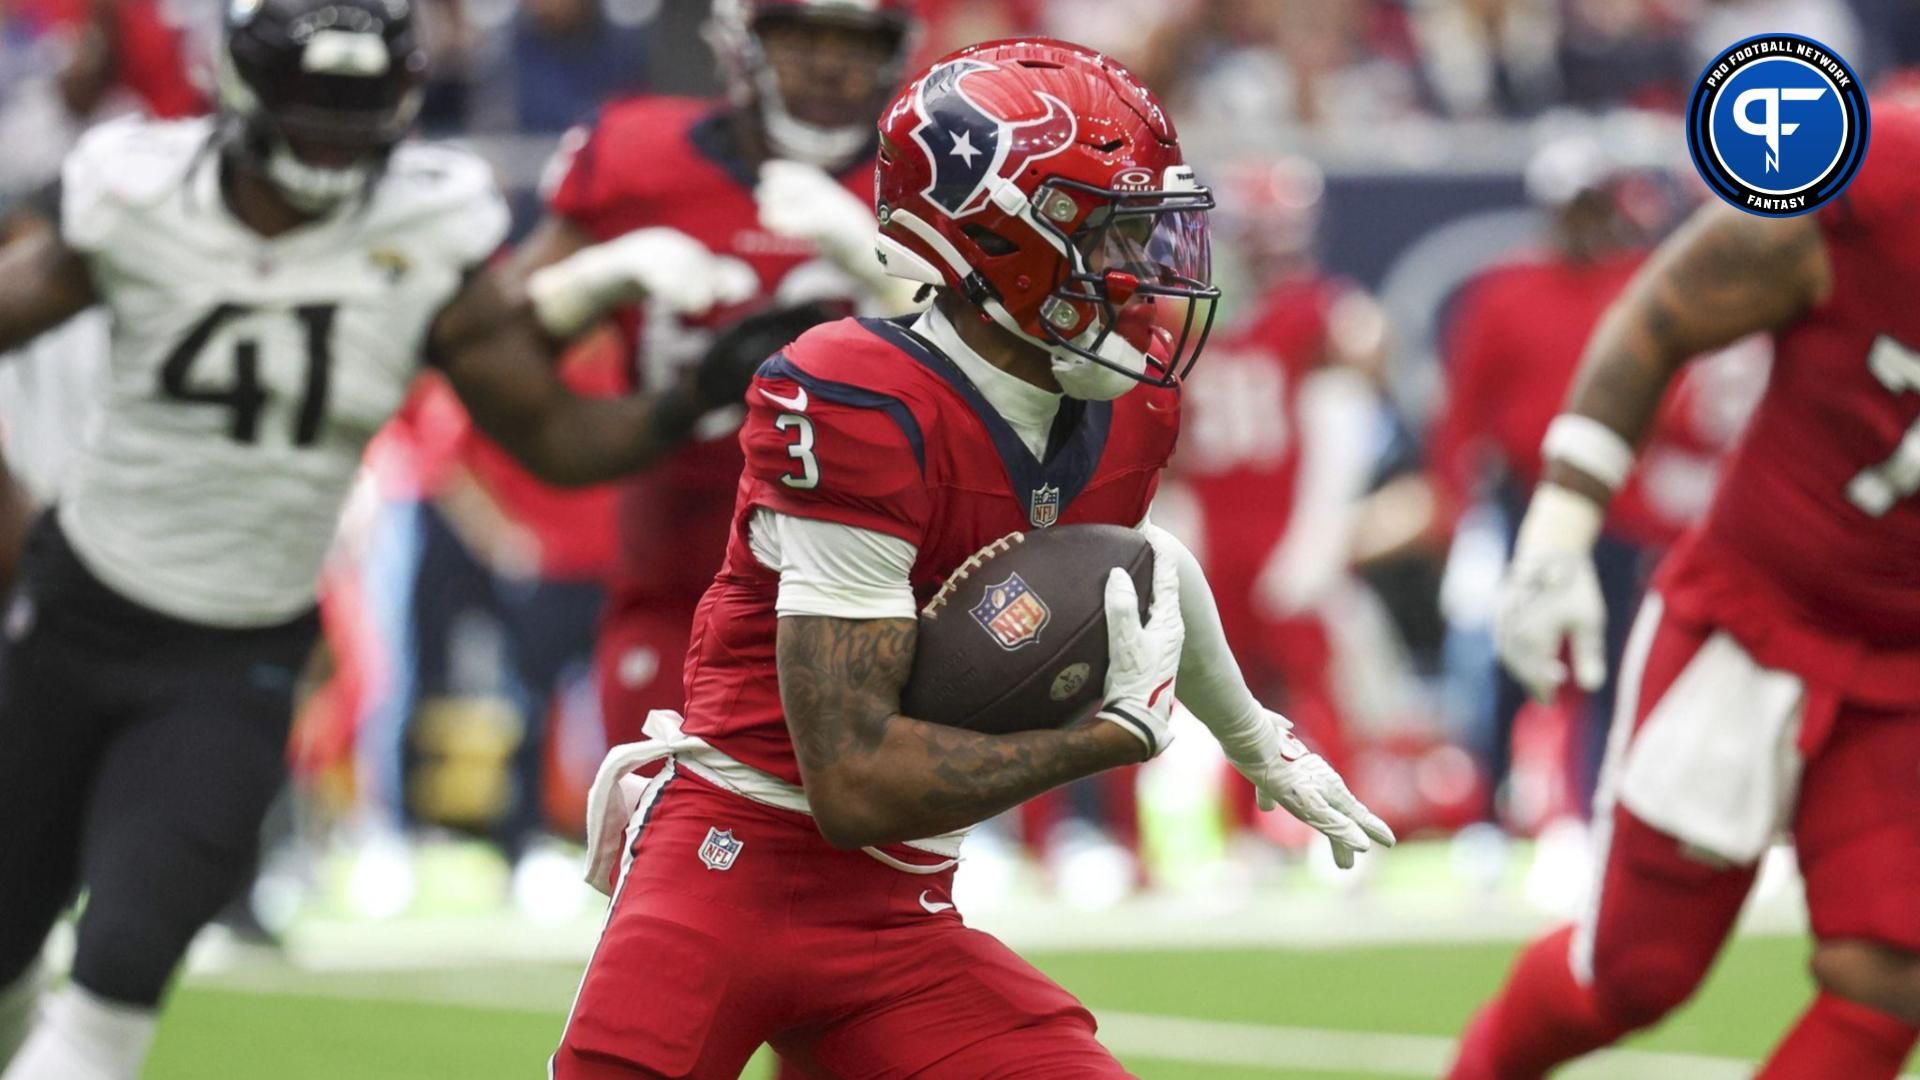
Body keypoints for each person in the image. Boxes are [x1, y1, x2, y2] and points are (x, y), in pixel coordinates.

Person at [553, 38, 1395, 1078]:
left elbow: (1136, 564)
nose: (1145, 279)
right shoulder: (856, 395)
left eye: (1154, 238)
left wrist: (1257, 739)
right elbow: (851, 783)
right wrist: (1106, 741)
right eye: (1112, 240)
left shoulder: (1125, 408)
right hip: (725, 884)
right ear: (998, 243)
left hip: (898, 917)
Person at [0, 0, 769, 1074]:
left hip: (237, 652)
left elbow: (548, 435)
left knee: (122, 966)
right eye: (312, 106)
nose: (331, 136)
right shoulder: (140, 188)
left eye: (356, 108)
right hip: (74, 609)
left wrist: (691, 395)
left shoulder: (423, 220)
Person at [1448, 103, 1920, 1080]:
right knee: (1635, 975)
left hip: (1908, 663)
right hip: (1756, 619)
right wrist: (1561, 528)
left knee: (1893, 971)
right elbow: (1661, 312)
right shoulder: (1880, 181)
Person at [512, 0, 923, 759]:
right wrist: (599, 279)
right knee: (650, 818)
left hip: (876, 583)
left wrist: (877, 264)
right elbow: (500, 342)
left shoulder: (928, 179)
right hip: (678, 570)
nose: (830, 63)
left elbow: (1006, 368)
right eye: (801, 36)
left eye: (855, 41)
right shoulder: (641, 155)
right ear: (740, 39)